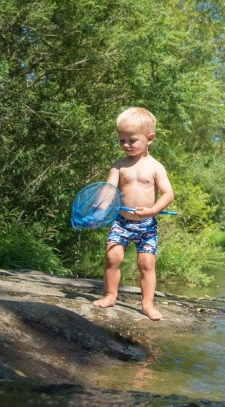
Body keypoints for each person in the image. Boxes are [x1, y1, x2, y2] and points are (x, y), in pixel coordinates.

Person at [92, 107, 174, 321]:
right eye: (122, 140)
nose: (126, 145)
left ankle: (147, 304)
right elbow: (109, 191)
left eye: (132, 140)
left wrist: (153, 210)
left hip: (146, 225)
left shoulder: (155, 167)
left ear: (149, 139)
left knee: (146, 264)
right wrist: (99, 208)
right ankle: (110, 295)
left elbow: (168, 194)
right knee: (113, 257)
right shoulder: (119, 167)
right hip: (121, 222)